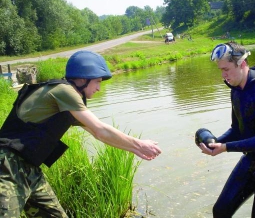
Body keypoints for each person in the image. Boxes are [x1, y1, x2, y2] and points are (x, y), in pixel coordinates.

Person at [0, 50, 162, 217]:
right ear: (83, 79)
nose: (99, 88)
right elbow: (100, 130)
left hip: (29, 169)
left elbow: (95, 132)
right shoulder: (64, 91)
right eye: (97, 81)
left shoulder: (69, 101)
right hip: (6, 166)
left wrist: (135, 149)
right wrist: (140, 144)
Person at [198, 42, 255, 218]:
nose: (223, 75)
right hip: (250, 161)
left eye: (226, 69)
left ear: (242, 63)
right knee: (220, 211)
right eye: (220, 70)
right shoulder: (236, 91)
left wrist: (226, 148)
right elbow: (237, 129)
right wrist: (217, 143)